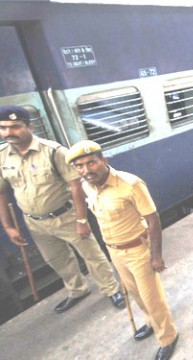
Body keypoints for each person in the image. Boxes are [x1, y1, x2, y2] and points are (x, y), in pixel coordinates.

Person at [0, 105, 124, 314]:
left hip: (66, 217)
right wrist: (9, 227)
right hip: (35, 223)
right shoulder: (2, 156)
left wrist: (82, 220)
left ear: (30, 127)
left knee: (92, 255)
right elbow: (2, 193)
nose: (8, 133)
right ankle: (77, 290)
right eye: (3, 128)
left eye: (15, 127)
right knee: (57, 259)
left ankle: (111, 289)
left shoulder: (53, 151)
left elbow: (76, 186)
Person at [66, 140, 179, 360]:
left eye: (91, 163)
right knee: (136, 294)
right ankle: (151, 323)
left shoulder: (130, 184)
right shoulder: (87, 184)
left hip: (138, 250)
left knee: (151, 298)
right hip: (114, 251)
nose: (86, 170)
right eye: (79, 166)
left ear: (104, 161)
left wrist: (156, 256)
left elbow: (153, 220)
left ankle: (168, 336)